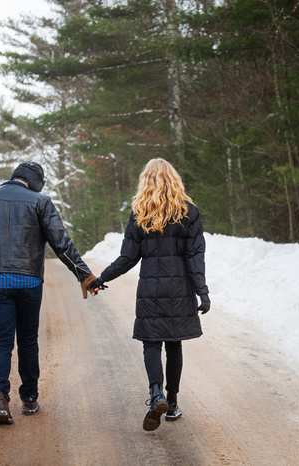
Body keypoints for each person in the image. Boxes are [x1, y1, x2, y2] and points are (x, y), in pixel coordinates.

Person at [0, 161, 99, 425]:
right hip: (28, 283)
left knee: (1, 341)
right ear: (34, 183)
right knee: (27, 340)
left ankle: (0, 398)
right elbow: (61, 243)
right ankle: (29, 399)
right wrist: (85, 275)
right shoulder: (41, 202)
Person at [88, 158, 210, 432]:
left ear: (146, 182)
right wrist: (202, 291)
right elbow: (195, 257)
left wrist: (102, 277)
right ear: (174, 180)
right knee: (174, 344)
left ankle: (156, 394)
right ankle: (173, 403)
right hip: (179, 290)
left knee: (151, 343)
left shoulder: (139, 214)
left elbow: (127, 258)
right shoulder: (189, 213)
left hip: (150, 291)